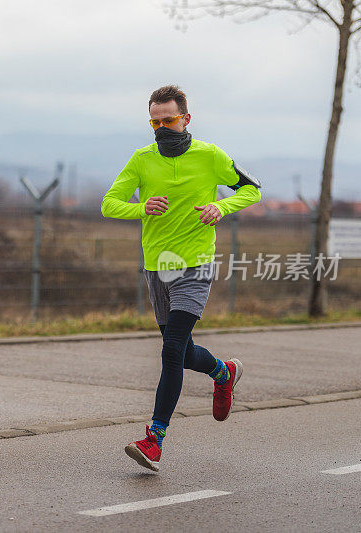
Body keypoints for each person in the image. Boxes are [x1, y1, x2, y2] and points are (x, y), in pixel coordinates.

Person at [101, 85, 261, 472]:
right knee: (182, 350)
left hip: (195, 265)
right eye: (154, 122)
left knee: (171, 350)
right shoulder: (141, 159)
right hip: (158, 267)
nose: (161, 128)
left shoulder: (210, 156)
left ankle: (153, 440)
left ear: (186, 119)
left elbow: (251, 190)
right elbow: (109, 203)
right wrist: (141, 207)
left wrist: (221, 206)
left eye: (168, 120)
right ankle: (224, 372)